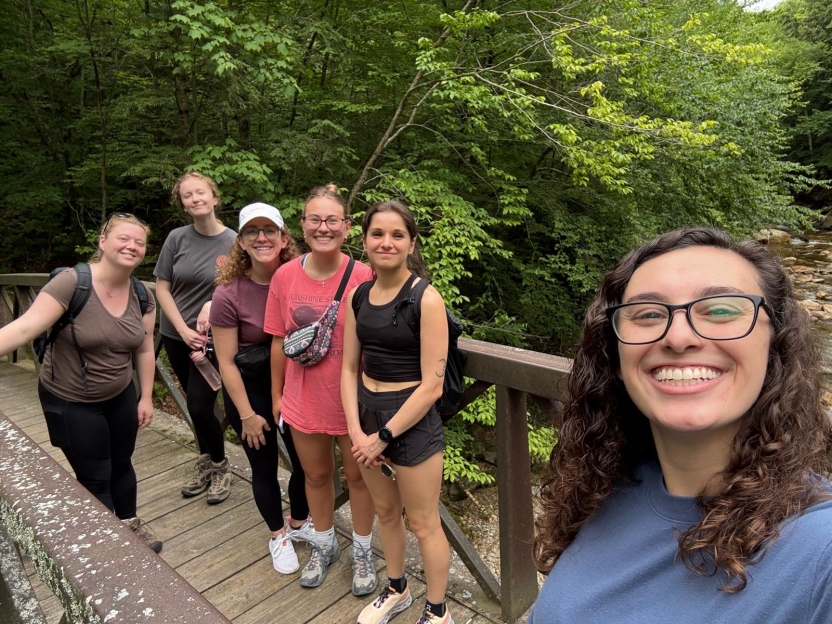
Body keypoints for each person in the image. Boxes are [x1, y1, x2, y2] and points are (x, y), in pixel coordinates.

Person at [530, 228, 832, 623]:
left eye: (721, 309)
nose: (678, 336)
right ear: (615, 357)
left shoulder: (821, 550)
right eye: (649, 315)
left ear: (776, 344)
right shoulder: (603, 487)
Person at [0, 213, 162, 552]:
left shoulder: (143, 296)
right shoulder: (73, 284)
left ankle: (129, 523)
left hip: (119, 394)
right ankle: (104, 543)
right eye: (123, 238)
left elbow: (145, 347)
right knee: (94, 475)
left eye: (139, 242)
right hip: (71, 398)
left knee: (122, 463)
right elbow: (25, 328)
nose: (131, 246)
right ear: (103, 242)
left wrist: (145, 396)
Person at [342, 200, 452, 624]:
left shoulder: (425, 299)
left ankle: (438, 611)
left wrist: (382, 437)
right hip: (366, 414)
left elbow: (432, 385)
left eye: (397, 235)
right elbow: (350, 366)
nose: (386, 242)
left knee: (424, 522)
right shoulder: (360, 295)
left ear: (411, 243)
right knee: (385, 511)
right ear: (365, 239)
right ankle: (397, 589)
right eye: (377, 234)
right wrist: (355, 428)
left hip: (411, 420)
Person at [264, 184, 377, 594]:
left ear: (347, 227)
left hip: (355, 403)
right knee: (315, 476)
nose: (323, 227)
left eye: (332, 220)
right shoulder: (284, 275)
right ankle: (324, 544)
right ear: (303, 225)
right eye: (315, 219)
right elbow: (278, 340)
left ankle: (363, 550)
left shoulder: (365, 276)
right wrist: (277, 396)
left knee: (360, 479)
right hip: (303, 398)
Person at [209, 202, 315, 574]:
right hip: (250, 391)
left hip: (299, 385)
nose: (261, 237)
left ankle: (300, 522)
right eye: (252, 231)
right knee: (263, 465)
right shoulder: (229, 294)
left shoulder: (303, 279)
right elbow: (225, 361)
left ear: (285, 237)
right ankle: (277, 534)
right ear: (240, 242)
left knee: (307, 463)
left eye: (269, 230)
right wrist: (247, 415)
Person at [154, 172, 237, 504]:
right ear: (183, 205)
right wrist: (182, 329)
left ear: (214, 198)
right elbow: (162, 286)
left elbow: (239, 287)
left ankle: (220, 465)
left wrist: (212, 301)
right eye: (187, 196)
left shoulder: (234, 241)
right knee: (196, 403)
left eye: (200, 192)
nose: (195, 199)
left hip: (211, 340)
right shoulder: (177, 238)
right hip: (175, 335)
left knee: (199, 405)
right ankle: (206, 460)